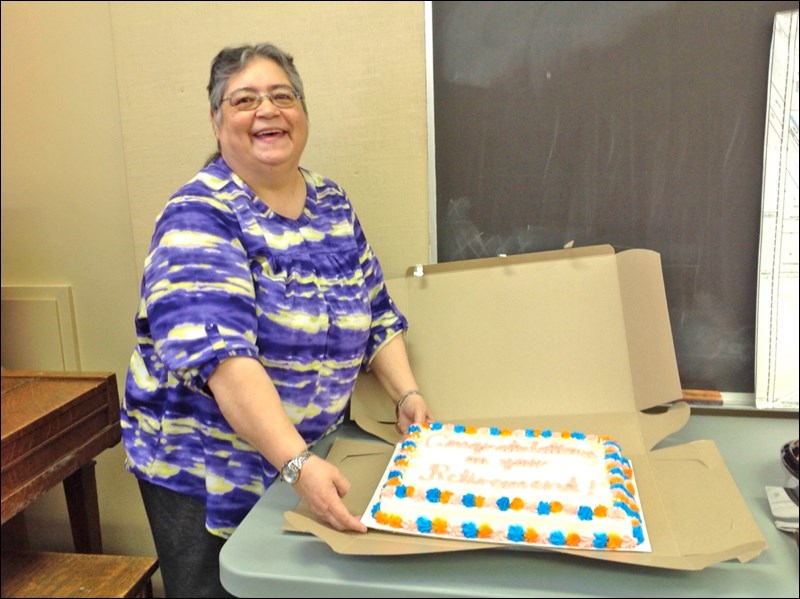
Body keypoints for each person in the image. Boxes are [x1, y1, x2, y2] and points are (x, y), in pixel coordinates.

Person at [121, 42, 432, 598]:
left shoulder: (332, 202)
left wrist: (406, 396)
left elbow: (378, 314)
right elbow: (226, 363)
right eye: (244, 100)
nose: (267, 110)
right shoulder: (198, 216)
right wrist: (298, 466)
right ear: (217, 123)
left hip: (307, 455)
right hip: (209, 474)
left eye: (282, 96)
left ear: (303, 115)